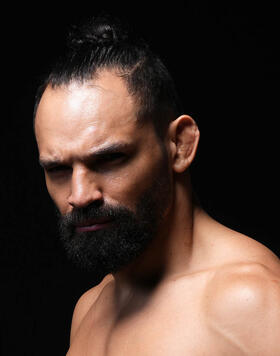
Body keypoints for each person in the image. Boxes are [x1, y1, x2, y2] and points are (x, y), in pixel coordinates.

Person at [34, 15, 280, 355]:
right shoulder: (89, 309)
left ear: (180, 145)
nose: (78, 195)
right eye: (58, 169)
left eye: (109, 160)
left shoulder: (255, 303)